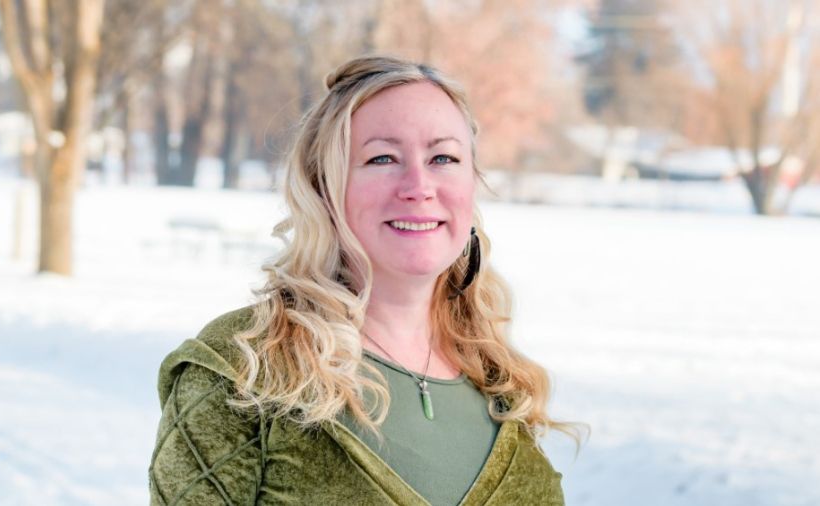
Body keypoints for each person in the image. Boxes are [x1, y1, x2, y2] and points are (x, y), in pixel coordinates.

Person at [148, 55, 580, 506]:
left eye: (443, 157)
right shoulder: (244, 366)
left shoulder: (501, 382)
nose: (419, 186)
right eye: (382, 158)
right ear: (324, 188)